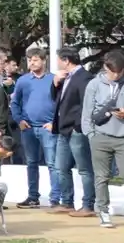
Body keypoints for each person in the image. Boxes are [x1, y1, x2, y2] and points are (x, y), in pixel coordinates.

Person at [80, 50, 124, 228]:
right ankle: (103, 211)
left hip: (122, 138)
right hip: (100, 137)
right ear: (105, 67)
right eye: (113, 72)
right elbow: (87, 113)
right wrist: (91, 135)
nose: (116, 75)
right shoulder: (94, 84)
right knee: (101, 177)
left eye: (120, 72)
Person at [10, 49, 57, 209]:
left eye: (35, 60)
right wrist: (19, 120)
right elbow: (15, 103)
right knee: (31, 163)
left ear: (44, 60)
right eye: (29, 60)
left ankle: (55, 198)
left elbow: (61, 103)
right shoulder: (23, 81)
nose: (32, 63)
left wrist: (54, 122)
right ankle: (33, 197)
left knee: (52, 163)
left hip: (47, 128)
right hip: (28, 128)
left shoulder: (53, 79)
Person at [51, 47, 94, 217]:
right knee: (61, 167)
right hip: (63, 129)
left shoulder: (84, 77)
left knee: (84, 168)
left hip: (76, 129)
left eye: (58, 60)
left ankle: (88, 205)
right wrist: (55, 83)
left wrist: (78, 125)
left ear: (66, 60)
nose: (57, 63)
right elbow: (57, 100)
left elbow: (86, 104)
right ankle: (67, 202)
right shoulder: (65, 77)